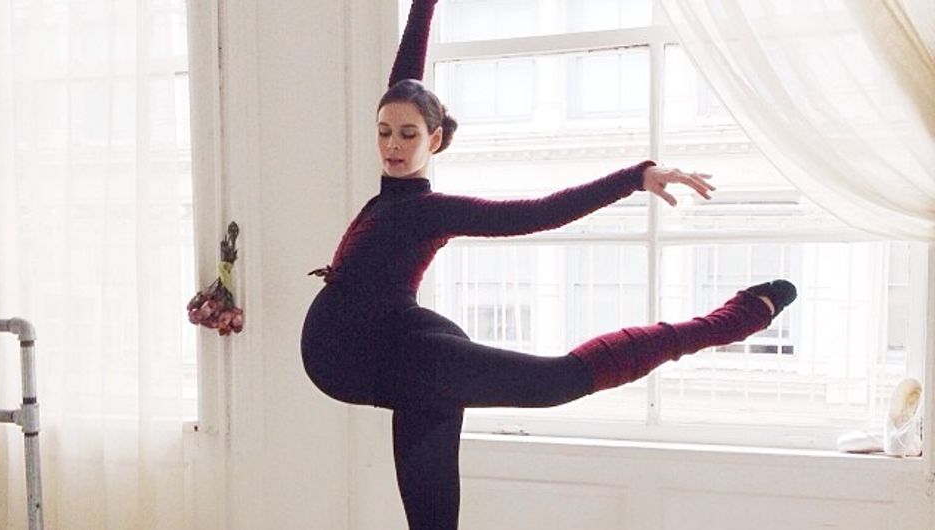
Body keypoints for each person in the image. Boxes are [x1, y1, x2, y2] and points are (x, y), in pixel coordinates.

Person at [301, 1, 797, 528]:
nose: (392, 145)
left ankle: (732, 320)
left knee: (553, 382)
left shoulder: (432, 211)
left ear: (435, 139)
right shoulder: (395, 190)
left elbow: (539, 214)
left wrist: (634, 177)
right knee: (442, 401)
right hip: (363, 354)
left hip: (381, 353)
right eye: (384, 131)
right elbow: (405, 78)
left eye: (408, 134)